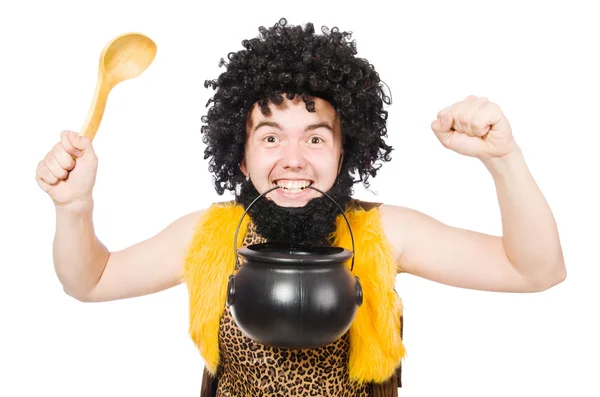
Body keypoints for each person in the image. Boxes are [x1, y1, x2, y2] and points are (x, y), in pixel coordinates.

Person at [35, 18, 566, 397]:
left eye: (315, 140)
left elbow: (536, 271)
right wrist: (74, 207)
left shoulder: (382, 231)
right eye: (270, 138)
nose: (294, 161)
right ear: (240, 157)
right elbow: (91, 281)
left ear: (343, 152)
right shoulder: (209, 234)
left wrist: (505, 160)